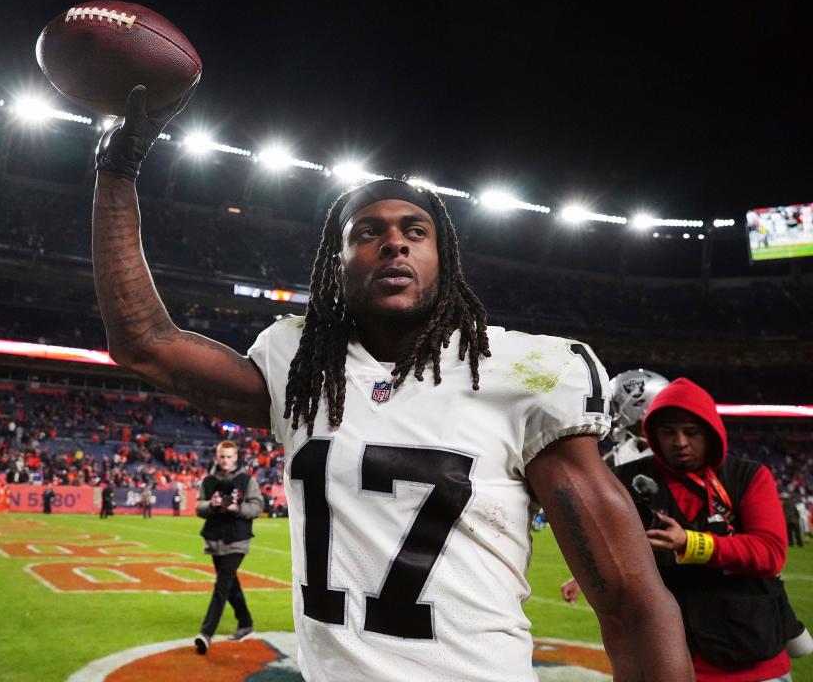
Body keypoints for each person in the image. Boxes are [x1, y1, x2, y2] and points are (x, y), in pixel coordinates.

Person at [91, 86, 693, 680]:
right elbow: (144, 343)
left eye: (415, 230)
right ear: (338, 259)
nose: (394, 242)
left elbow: (632, 605)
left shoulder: (525, 373)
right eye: (367, 232)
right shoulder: (299, 366)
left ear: (444, 258)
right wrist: (118, 172)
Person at [615, 378, 798, 681]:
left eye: (691, 432)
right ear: (653, 435)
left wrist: (692, 543)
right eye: (668, 432)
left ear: (711, 432)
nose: (680, 442)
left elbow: (770, 553)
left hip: (749, 655)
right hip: (667, 656)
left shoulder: (749, 476)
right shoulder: (627, 478)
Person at [193, 441, 263, 654]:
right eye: (222, 457)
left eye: (229, 457)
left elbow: (257, 507)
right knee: (230, 584)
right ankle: (246, 622)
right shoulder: (208, 480)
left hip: (238, 540)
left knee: (222, 585)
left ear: (236, 457)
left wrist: (237, 508)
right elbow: (199, 507)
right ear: (217, 457)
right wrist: (211, 505)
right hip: (215, 539)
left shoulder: (247, 480)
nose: (225, 460)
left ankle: (206, 633)